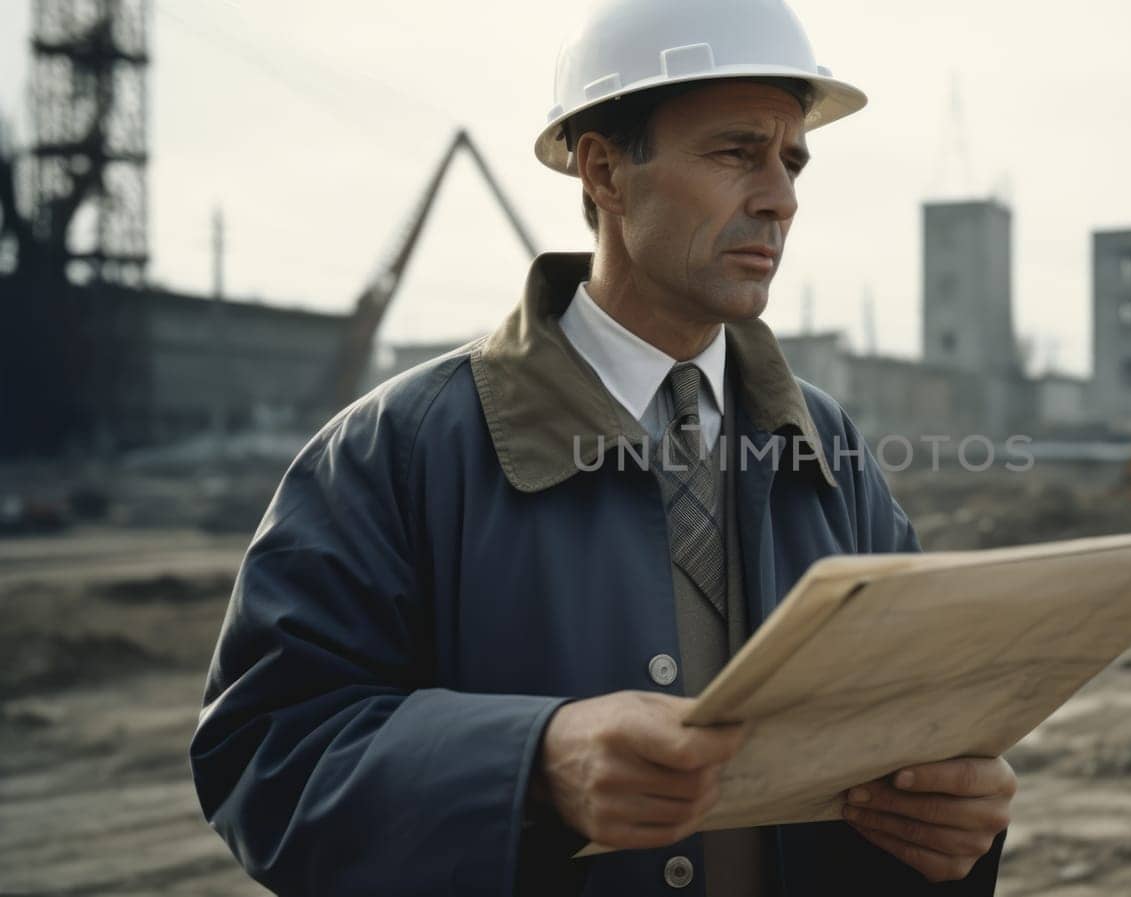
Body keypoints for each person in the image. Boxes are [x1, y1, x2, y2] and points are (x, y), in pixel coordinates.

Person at [188, 1, 1013, 894]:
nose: (781, 197)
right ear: (604, 170)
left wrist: (955, 820)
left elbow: (918, 729)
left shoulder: (829, 451)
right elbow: (265, 755)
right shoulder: (400, 450)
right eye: (738, 152)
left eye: (792, 160)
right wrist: (531, 763)